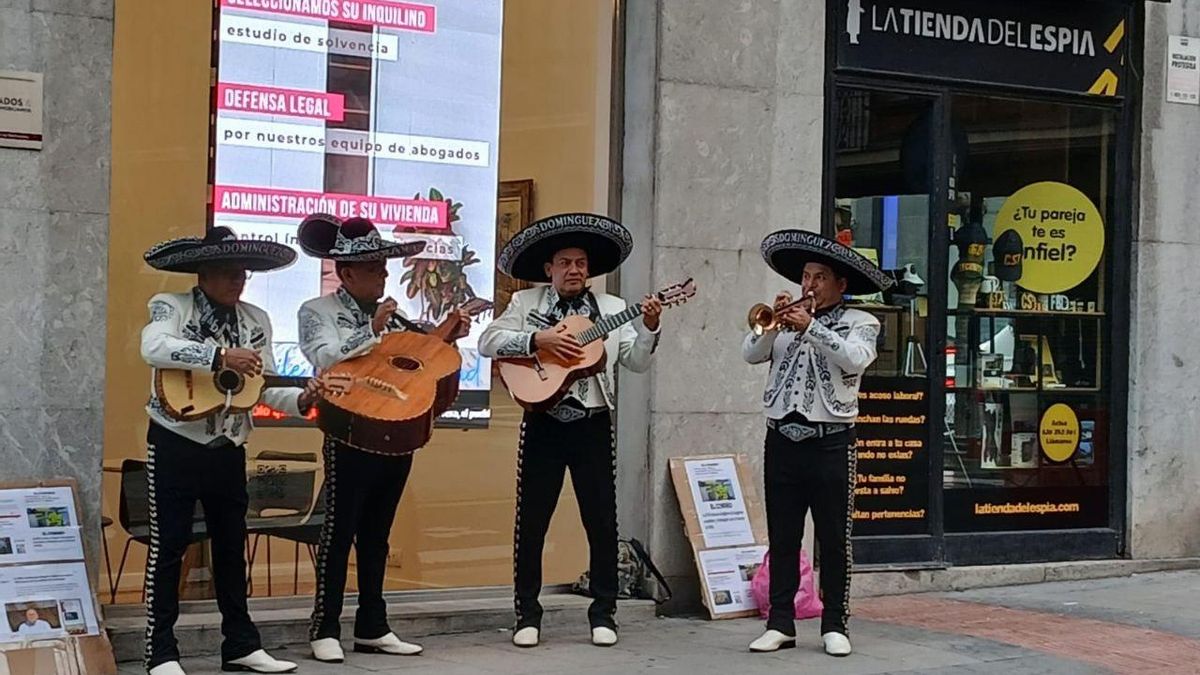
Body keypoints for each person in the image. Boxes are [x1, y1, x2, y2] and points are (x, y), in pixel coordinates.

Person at [140, 227, 321, 675]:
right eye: (226, 271)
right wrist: (218, 356)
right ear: (202, 272)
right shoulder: (172, 306)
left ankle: (240, 644)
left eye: (242, 272)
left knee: (230, 546)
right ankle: (160, 651)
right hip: (175, 440)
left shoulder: (255, 319)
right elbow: (152, 346)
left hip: (228, 443)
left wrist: (301, 400)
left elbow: (263, 383)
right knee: (169, 546)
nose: (237, 280)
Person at [478, 213, 662, 648]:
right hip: (543, 422)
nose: (575, 269)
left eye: (581, 263)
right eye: (565, 262)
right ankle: (527, 614)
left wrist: (650, 328)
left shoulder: (613, 310)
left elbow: (635, 362)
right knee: (533, 520)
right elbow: (488, 341)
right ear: (550, 269)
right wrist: (536, 342)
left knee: (600, 520)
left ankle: (604, 614)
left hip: (593, 422)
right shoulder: (527, 306)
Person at [296, 215, 469, 664]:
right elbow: (324, 357)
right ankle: (325, 627)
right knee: (338, 531)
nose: (384, 275)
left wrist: (448, 332)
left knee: (377, 535)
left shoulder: (398, 319)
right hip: (348, 429)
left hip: (394, 430)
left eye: (384, 267)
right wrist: (371, 329)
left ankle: (373, 625)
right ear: (348, 273)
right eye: (374, 268)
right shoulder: (317, 312)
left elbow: (420, 361)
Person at [742, 230, 892, 658]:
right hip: (782, 440)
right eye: (806, 276)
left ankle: (835, 623)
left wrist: (811, 328)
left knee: (833, 536)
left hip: (831, 443)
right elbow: (750, 354)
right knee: (783, 536)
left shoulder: (861, 322)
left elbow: (854, 359)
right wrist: (773, 325)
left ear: (840, 285)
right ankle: (780, 622)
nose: (808, 285)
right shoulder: (784, 319)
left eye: (819, 277)